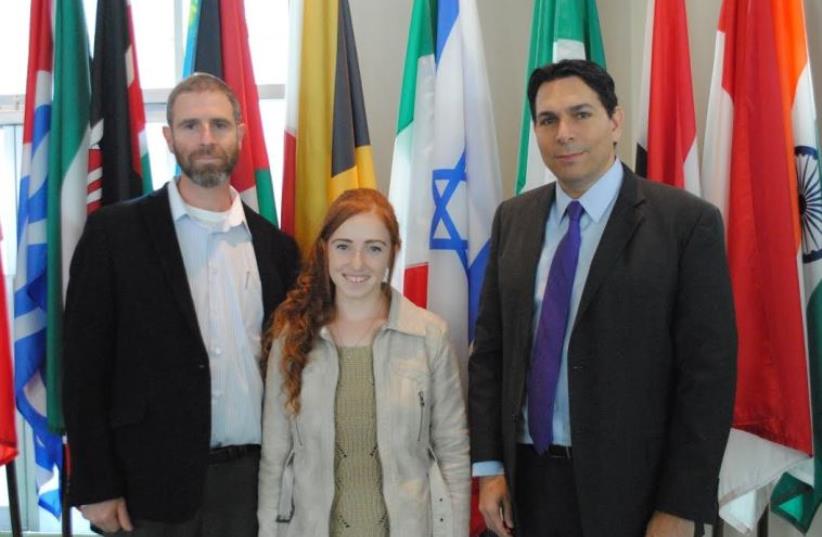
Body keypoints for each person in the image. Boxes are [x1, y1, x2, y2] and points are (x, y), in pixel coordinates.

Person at [469, 59, 736, 537]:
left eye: (581, 114)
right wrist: (490, 467)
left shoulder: (685, 224)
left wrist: (680, 505)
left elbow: (708, 378)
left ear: (615, 121)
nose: (564, 133)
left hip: (635, 493)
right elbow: (490, 353)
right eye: (548, 120)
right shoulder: (513, 219)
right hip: (525, 484)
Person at [63, 72, 300, 536]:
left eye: (219, 124)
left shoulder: (277, 249)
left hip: (256, 484)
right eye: (191, 126)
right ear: (169, 138)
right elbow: (82, 369)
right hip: (147, 487)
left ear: (241, 133)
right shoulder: (115, 235)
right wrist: (96, 484)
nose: (206, 138)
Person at [257, 188, 470, 537]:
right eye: (344, 246)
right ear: (325, 250)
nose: (357, 263)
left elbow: (453, 453)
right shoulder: (291, 338)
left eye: (374, 248)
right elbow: (275, 459)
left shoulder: (429, 335)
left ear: (392, 254)